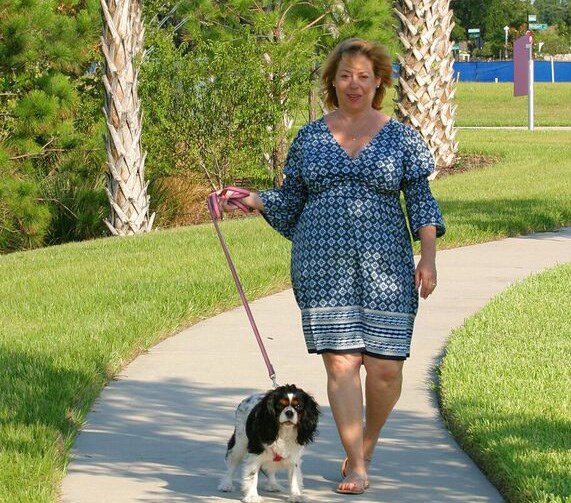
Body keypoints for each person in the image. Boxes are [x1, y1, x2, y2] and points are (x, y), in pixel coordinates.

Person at [219, 38, 445, 495]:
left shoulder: (401, 137)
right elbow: (292, 199)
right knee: (342, 366)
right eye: (345, 76)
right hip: (321, 266)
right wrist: (256, 199)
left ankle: (366, 442)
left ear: (379, 81)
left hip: (387, 264)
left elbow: (421, 202)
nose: (354, 84)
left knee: (385, 370)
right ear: (332, 81)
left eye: (363, 76)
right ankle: (358, 465)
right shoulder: (309, 137)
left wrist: (428, 258)